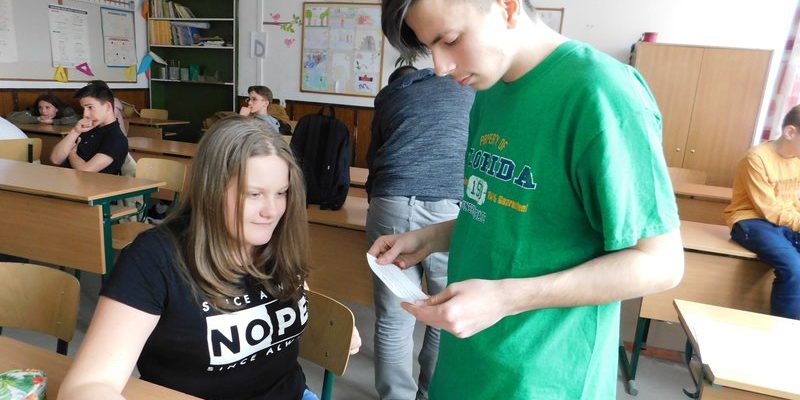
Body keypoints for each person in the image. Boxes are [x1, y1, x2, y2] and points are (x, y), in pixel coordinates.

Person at [371, 0, 685, 398]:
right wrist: (428, 238)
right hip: (467, 364)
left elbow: (660, 263)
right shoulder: (487, 88)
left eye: (449, 40)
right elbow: (506, 211)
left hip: (542, 378)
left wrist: (505, 298)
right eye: (429, 47)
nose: (441, 66)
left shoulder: (602, 93)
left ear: (506, 7)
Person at [59, 116, 361, 400]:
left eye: (281, 193)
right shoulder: (155, 258)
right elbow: (87, 385)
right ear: (211, 190)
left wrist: (328, 322)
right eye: (254, 194)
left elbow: (295, 290)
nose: (272, 211)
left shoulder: (276, 238)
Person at [365, 65, 473, 400]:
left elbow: (373, 160)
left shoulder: (389, 96)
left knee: (393, 318)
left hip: (391, 201)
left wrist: (376, 204)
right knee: (444, 311)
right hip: (449, 205)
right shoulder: (465, 88)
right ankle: (430, 393)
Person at [723, 105, 800, 320]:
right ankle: (784, 331)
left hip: (783, 223)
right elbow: (769, 209)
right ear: (790, 132)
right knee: (794, 268)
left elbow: (795, 201)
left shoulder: (797, 160)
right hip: (751, 221)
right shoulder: (756, 159)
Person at [50, 82, 128, 174]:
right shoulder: (86, 128)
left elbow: (86, 171)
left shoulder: (116, 138)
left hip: (92, 183)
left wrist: (71, 153)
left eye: (90, 107)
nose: (85, 114)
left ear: (107, 107)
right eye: (84, 109)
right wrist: (75, 131)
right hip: (66, 180)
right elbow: (55, 159)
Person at [6, 92, 79, 126]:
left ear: (56, 108)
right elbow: (10, 117)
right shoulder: (35, 110)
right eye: (40, 107)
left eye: (47, 107)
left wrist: (53, 121)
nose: (43, 111)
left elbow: (77, 120)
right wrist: (38, 119)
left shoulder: (65, 110)